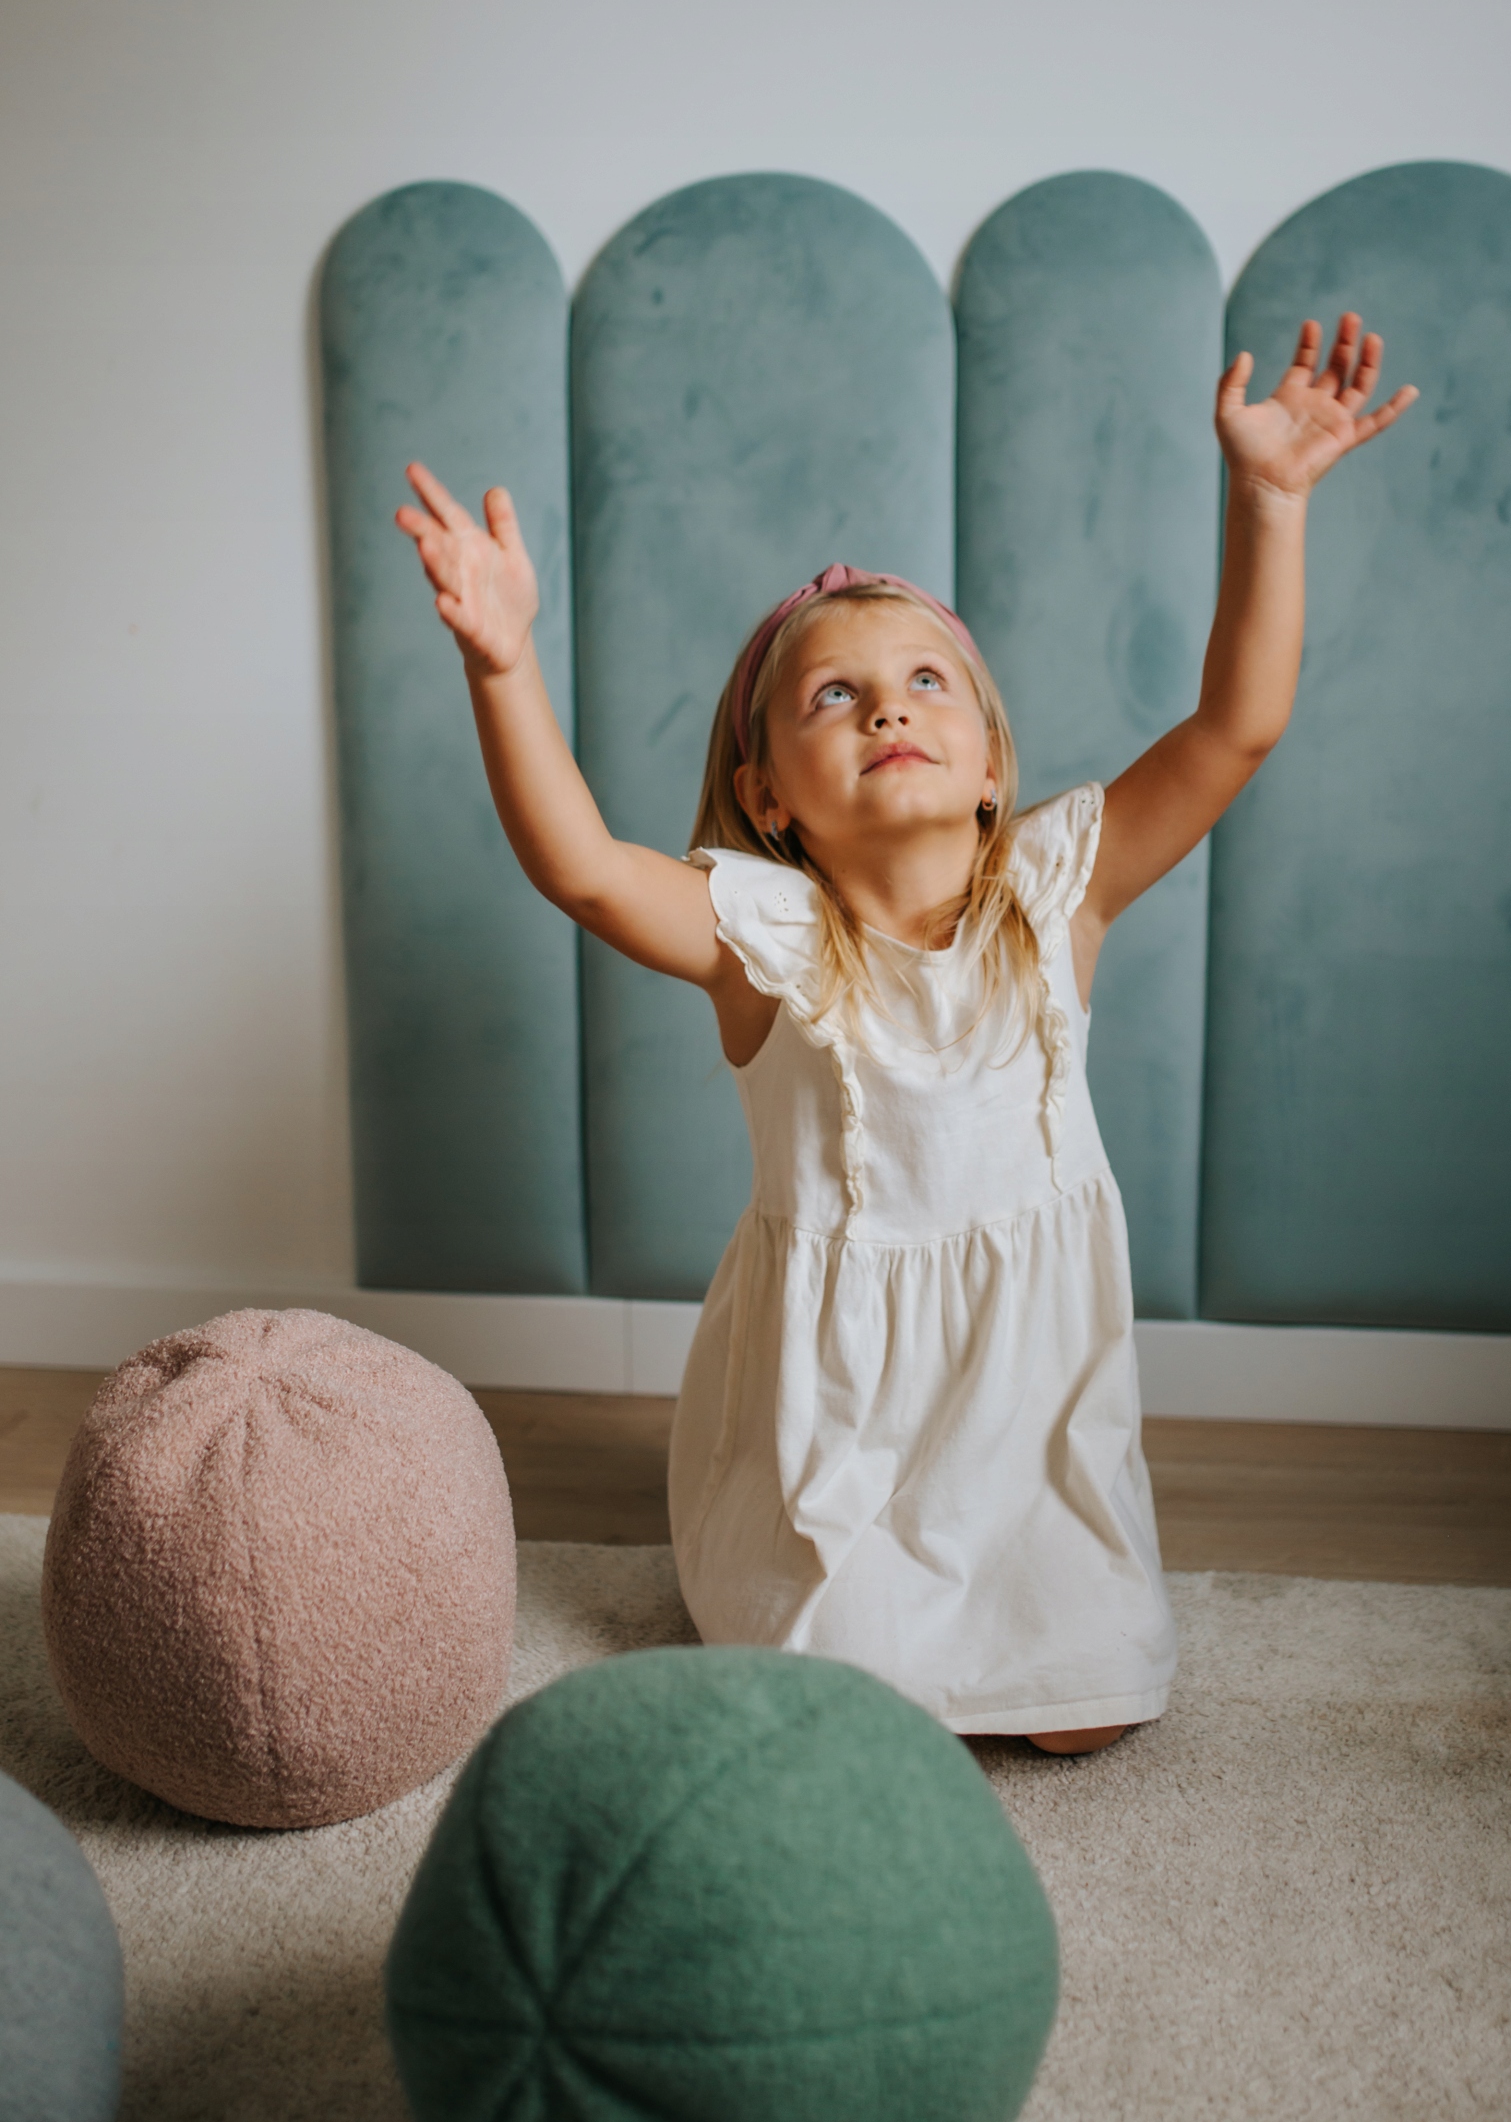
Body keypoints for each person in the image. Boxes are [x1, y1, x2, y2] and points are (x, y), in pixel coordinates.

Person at [397, 312, 1414, 1752]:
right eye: (837, 696)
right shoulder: (764, 939)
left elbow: (1235, 726)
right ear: (768, 796)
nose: (890, 709)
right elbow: (582, 869)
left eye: (927, 681)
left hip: (1033, 1410)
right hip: (842, 1433)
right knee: (838, 1722)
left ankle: (1035, 1591)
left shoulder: (1059, 890)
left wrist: (1271, 501)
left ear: (991, 764)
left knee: (1085, 1711)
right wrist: (504, 664)